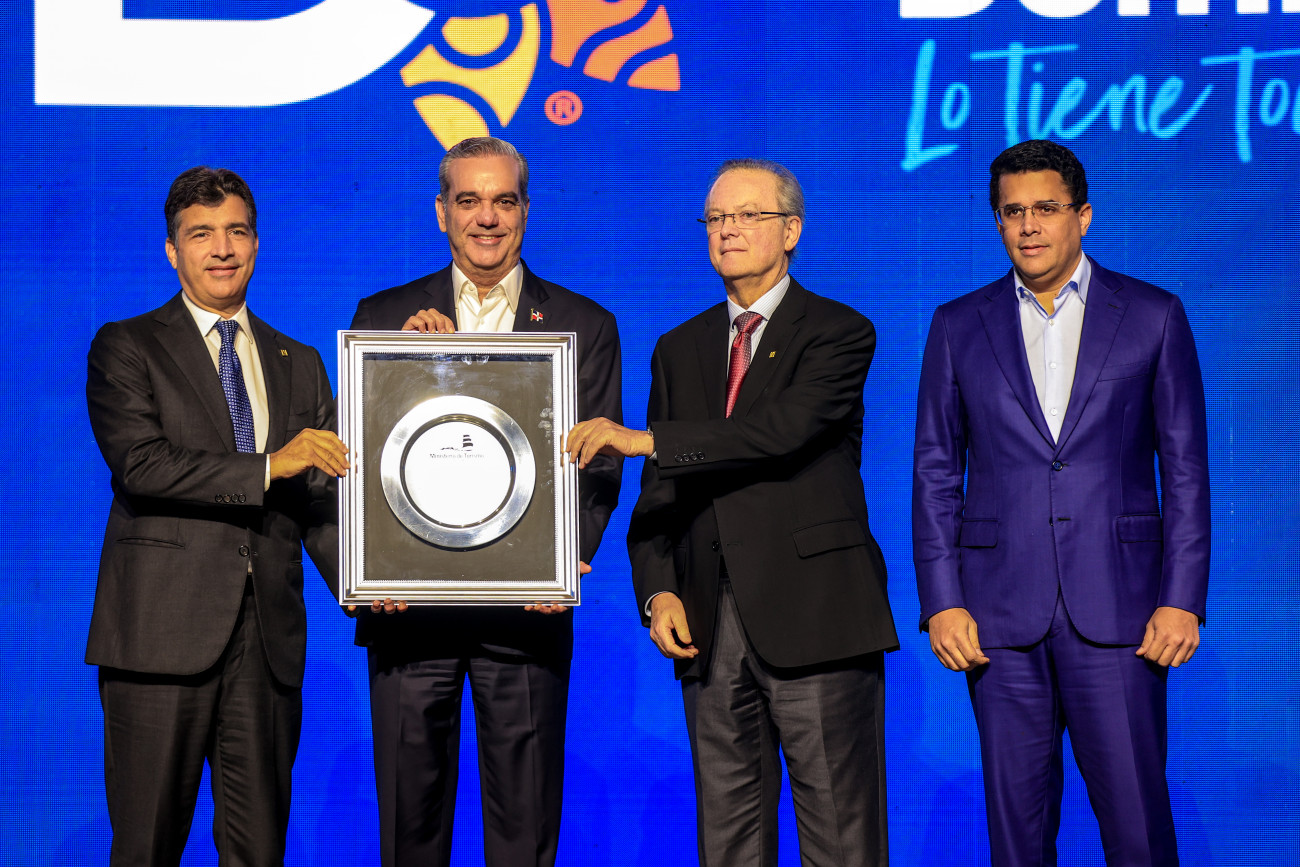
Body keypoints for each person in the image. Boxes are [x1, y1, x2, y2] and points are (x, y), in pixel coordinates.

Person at [566, 158, 898, 866]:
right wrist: (657, 591)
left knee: (840, 837)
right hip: (709, 628)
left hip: (817, 618)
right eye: (717, 218)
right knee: (728, 840)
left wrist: (648, 438)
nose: (728, 230)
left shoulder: (838, 331)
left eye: (748, 215)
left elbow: (778, 432)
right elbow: (658, 495)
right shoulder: (678, 347)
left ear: (791, 231)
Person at [912, 139, 1210, 866]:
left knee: (1138, 831)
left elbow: (1186, 471)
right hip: (998, 620)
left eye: (1045, 208)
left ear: (1083, 215)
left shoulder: (1153, 314)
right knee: (1016, 840)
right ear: (997, 221)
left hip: (1122, 613)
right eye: (1012, 212)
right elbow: (936, 472)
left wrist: (1182, 599)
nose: (1028, 226)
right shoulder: (958, 324)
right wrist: (942, 601)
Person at [349, 136, 623, 867]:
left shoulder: (583, 324)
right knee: (409, 836)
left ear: (526, 210)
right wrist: (407, 366)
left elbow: (598, 466)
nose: (487, 217)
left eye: (503, 200)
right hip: (409, 616)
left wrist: (564, 559)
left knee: (523, 836)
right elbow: (362, 461)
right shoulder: (384, 317)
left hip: (526, 618)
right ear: (441, 212)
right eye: (468, 200)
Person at [85, 166, 349, 866]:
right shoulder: (127, 345)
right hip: (159, 638)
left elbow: (317, 498)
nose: (222, 249)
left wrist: (369, 582)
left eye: (236, 231)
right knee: (146, 847)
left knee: (259, 851)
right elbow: (142, 464)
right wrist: (269, 465)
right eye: (201, 234)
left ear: (257, 243)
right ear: (173, 251)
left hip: (266, 645)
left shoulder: (300, 361)